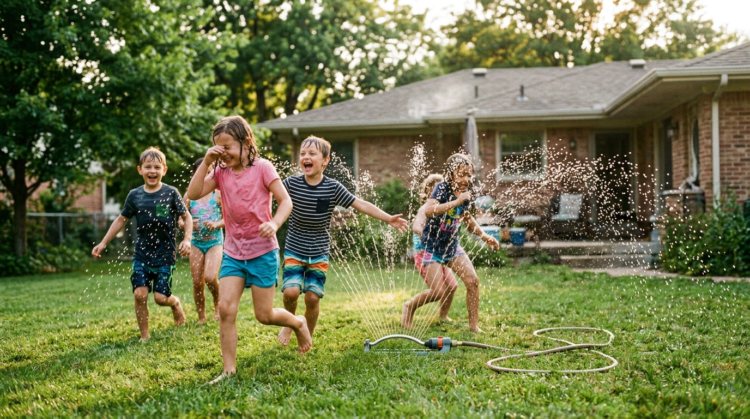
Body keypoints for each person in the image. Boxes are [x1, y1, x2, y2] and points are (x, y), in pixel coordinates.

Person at [187, 116, 311, 384]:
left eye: (227, 146)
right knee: (227, 309)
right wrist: (207, 162)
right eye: (217, 147)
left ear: (245, 143)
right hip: (233, 252)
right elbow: (194, 193)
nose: (223, 152)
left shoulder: (263, 168)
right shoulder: (219, 172)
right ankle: (229, 369)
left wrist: (275, 222)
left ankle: (298, 323)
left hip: (263, 251)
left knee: (264, 315)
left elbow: (285, 201)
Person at [276, 136, 409, 346]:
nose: (306, 158)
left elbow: (360, 204)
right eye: (302, 154)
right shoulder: (291, 184)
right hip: (295, 247)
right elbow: (268, 195)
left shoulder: (333, 187)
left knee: (312, 298)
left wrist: (388, 218)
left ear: (325, 160)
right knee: (291, 292)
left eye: (312, 154)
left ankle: (306, 335)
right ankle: (289, 322)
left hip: (319, 251)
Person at [92, 147, 192, 341]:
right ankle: (144, 336)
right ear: (140, 170)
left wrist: (187, 239)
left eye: (156, 167)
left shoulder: (171, 193)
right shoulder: (134, 195)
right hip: (142, 254)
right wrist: (103, 243)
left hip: (165, 254)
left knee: (160, 298)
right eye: (148, 167)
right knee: (140, 294)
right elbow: (121, 220)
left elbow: (186, 217)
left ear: (164, 170)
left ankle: (175, 303)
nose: (152, 171)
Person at [401, 153, 499, 333]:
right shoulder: (442, 188)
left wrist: (485, 236)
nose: (466, 179)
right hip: (431, 248)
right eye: (462, 174)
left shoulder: (467, 193)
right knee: (438, 292)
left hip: (452, 247)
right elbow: (430, 210)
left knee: (473, 281)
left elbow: (467, 219)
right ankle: (409, 307)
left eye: (469, 175)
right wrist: (456, 202)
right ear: (451, 174)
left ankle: (473, 326)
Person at [181, 158, 223, 324]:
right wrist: (188, 223)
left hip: (215, 242)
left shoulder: (218, 193)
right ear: (195, 175)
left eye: (210, 172)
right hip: (196, 243)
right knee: (197, 282)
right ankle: (201, 316)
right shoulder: (189, 196)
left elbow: (229, 218)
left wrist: (216, 223)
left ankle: (218, 304)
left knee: (211, 277)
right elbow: (180, 220)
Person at [411, 174, 457, 322]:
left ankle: (443, 316)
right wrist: (423, 234)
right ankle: (410, 307)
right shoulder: (425, 208)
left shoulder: (444, 208)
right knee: (438, 291)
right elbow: (416, 226)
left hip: (439, 253)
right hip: (425, 254)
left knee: (451, 285)